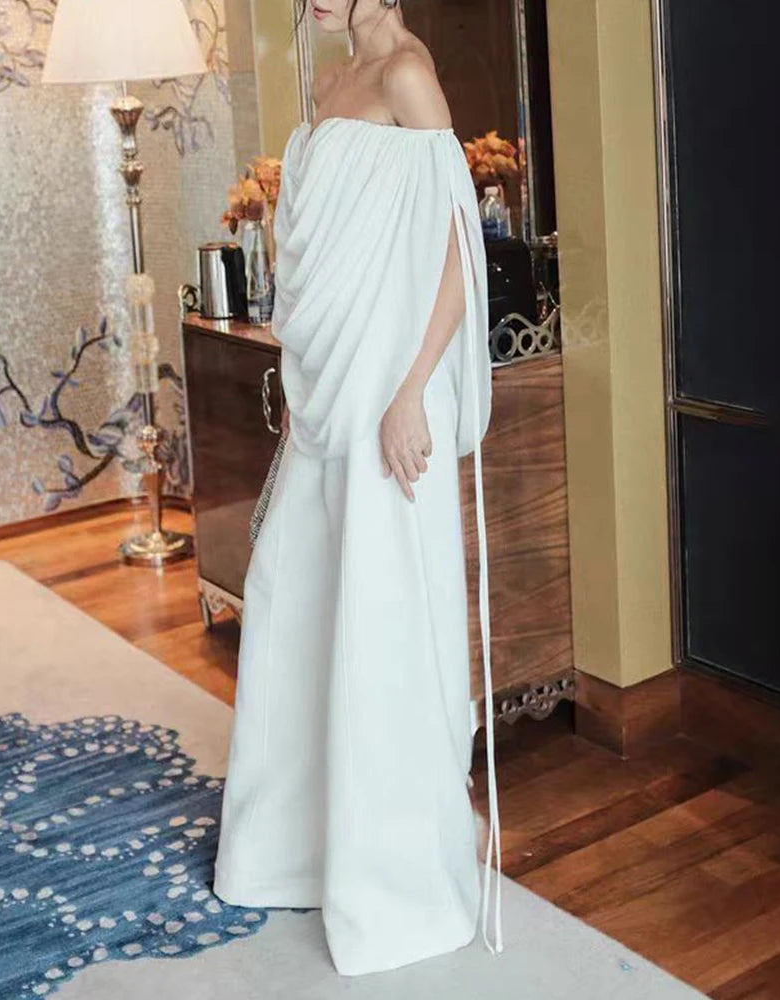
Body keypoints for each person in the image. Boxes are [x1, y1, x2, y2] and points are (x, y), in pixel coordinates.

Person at [212, 0, 503, 976]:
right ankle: (294, 846)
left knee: (379, 617)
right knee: (295, 599)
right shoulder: (328, 79)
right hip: (328, 397)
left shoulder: (407, 73)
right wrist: (303, 394)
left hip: (387, 396)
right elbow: (317, 257)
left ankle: (410, 863)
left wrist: (413, 389)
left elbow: (459, 246)